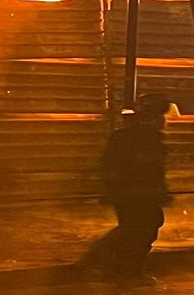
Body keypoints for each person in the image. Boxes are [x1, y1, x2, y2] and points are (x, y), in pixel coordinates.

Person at [78, 93, 173, 285]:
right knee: (137, 230)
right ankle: (120, 268)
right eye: (160, 116)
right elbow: (113, 166)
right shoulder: (134, 139)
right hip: (134, 193)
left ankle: (117, 266)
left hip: (140, 194)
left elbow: (155, 170)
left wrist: (160, 191)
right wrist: (116, 189)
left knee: (140, 229)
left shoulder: (148, 139)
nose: (163, 121)